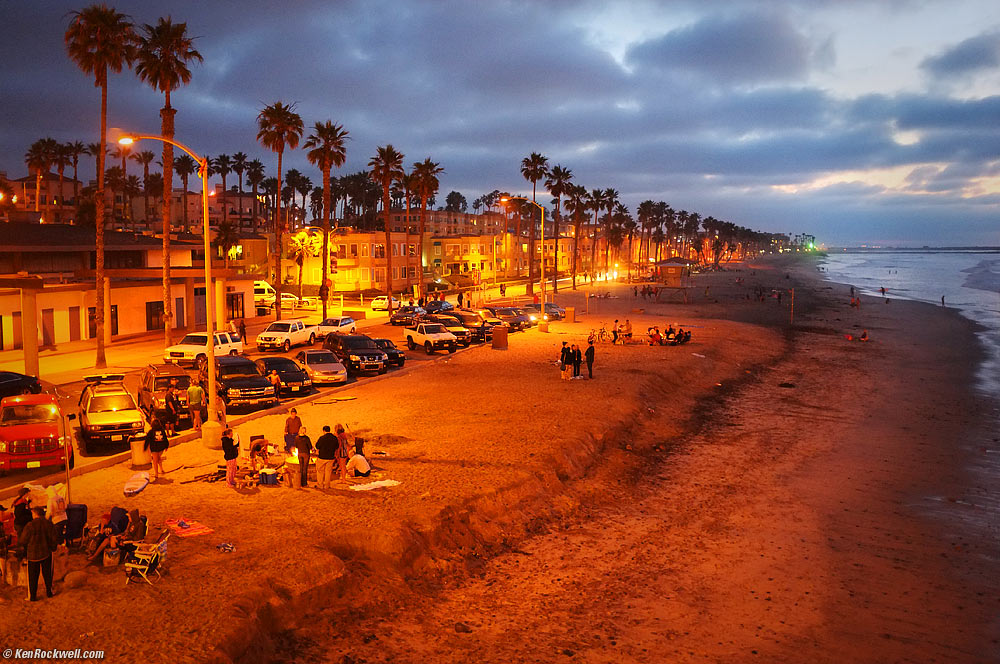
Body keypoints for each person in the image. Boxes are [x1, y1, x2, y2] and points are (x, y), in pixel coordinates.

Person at [20, 507, 58, 601]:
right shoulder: (48, 524)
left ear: (35, 514)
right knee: (47, 574)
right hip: (46, 553)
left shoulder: (30, 525)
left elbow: (23, 540)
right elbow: (53, 538)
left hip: (33, 555)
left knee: (33, 577)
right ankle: (49, 592)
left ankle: (32, 596)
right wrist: (53, 548)